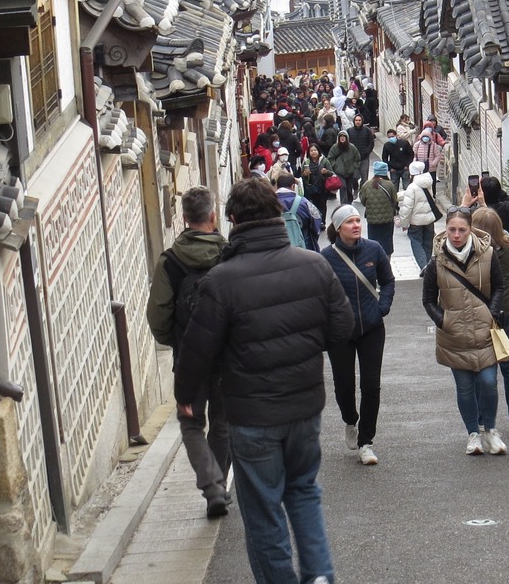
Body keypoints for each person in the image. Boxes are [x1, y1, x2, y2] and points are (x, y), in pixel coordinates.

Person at [174, 176, 354, 584]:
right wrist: (304, 344)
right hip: (304, 404)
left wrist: (185, 394)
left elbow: (197, 349)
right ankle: (319, 575)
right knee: (303, 490)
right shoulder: (314, 265)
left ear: (233, 220)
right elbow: (342, 328)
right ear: (277, 212)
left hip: (252, 412)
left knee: (262, 508)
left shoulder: (221, 280)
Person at [146, 186, 232, 518]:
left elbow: (158, 313)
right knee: (223, 422)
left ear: (183, 218)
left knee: (191, 422)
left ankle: (212, 488)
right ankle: (221, 483)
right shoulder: (228, 255)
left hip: (189, 357)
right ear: (213, 215)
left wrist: (176, 341)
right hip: (226, 354)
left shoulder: (170, 261)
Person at [422, 207, 508, 456]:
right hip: (454, 336)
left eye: (462, 230)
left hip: (484, 331)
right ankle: (473, 433)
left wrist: (491, 313)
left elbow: (499, 287)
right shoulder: (437, 261)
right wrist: (444, 321)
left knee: (489, 382)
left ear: (471, 229)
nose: (456, 235)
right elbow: (428, 299)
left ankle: (490, 430)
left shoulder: (487, 254)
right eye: (452, 230)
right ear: (445, 230)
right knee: (465, 388)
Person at [322, 205, 396, 466]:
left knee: (371, 385)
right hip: (340, 332)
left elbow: (388, 281)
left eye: (357, 220)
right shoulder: (325, 258)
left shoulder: (373, 249)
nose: (356, 225)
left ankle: (366, 442)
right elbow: (318, 294)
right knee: (344, 384)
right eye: (349, 222)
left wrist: (382, 307)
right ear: (338, 228)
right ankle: (350, 420)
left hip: (371, 328)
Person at [471, 207, 509, 430]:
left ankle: (482, 419)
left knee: (482, 366)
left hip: (481, 313)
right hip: (506, 311)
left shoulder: (474, 253)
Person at [398, 160, 439, 270]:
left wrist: (404, 223)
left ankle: (423, 266)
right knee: (428, 242)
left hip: (416, 221)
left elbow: (407, 208)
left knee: (416, 242)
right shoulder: (428, 182)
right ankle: (428, 265)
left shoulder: (412, 187)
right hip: (429, 219)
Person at [358, 160, 398, 258]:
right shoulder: (389, 185)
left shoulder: (366, 185)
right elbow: (395, 200)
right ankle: (386, 262)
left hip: (372, 219)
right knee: (387, 242)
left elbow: (363, 201)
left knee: (373, 241)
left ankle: (375, 261)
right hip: (387, 219)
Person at [276, 173, 322, 251]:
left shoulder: (268, 203)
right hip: (302, 247)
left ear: (277, 186)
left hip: (278, 248)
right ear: (293, 186)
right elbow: (316, 220)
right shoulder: (303, 202)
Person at [298, 145, 334, 220]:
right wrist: (305, 174)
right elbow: (301, 176)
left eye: (315, 150)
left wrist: (326, 172)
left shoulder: (324, 161)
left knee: (322, 205)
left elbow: (331, 173)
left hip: (322, 187)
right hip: (310, 188)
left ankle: (322, 221)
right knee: (312, 206)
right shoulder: (306, 162)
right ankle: (314, 221)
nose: (313, 152)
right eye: (311, 150)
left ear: (318, 151)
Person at [326, 131, 361, 205]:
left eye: (344, 137)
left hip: (350, 172)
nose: (342, 138)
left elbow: (357, 158)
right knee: (343, 187)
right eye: (341, 137)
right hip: (340, 172)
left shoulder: (352, 147)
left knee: (349, 188)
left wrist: (354, 167)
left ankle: (349, 201)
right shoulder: (335, 147)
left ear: (347, 138)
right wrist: (335, 166)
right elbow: (330, 158)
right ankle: (344, 204)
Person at [346, 114, 376, 189]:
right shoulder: (349, 131)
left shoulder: (367, 131)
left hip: (364, 158)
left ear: (362, 121)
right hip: (353, 159)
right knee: (354, 177)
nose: (358, 122)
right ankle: (355, 188)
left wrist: (367, 152)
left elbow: (371, 143)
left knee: (364, 177)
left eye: (359, 120)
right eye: (356, 120)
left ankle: (363, 191)